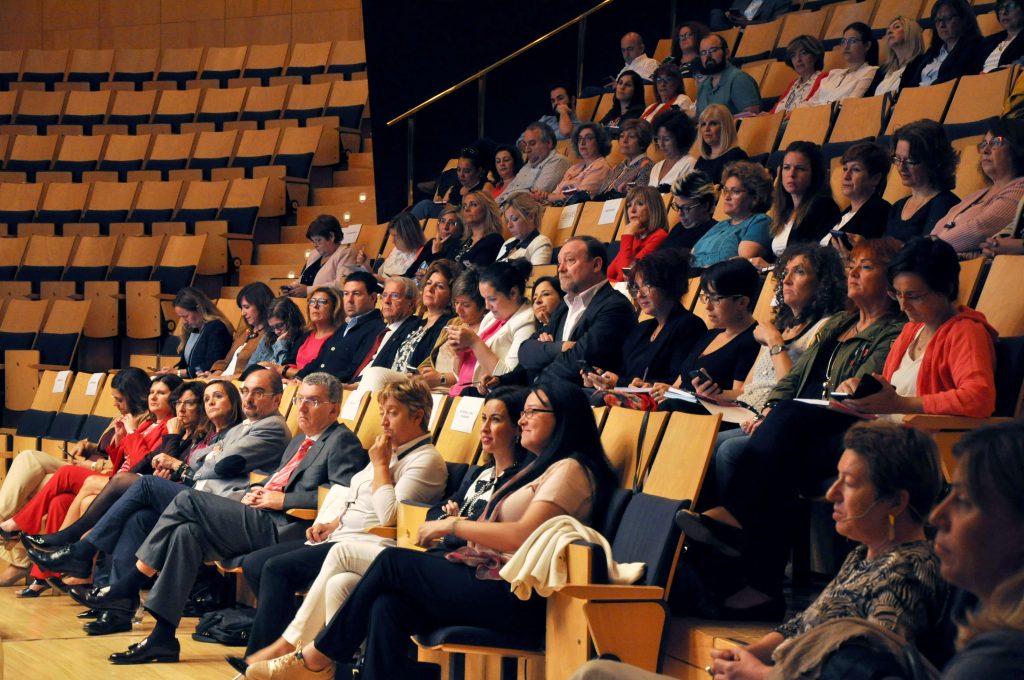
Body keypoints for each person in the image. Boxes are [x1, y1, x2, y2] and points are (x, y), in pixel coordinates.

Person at [244, 379, 618, 680]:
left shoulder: (571, 469)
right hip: (487, 576)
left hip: (514, 593)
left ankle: (314, 659)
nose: (523, 420)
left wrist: (454, 523)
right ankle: (319, 661)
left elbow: (522, 536)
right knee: (388, 605)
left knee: (392, 562)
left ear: (564, 418)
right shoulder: (537, 469)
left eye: (533, 411)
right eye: (523, 412)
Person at [576, 422, 948, 680]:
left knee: (598, 674)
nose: (831, 493)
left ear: (896, 501)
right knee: (597, 672)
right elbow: (802, 625)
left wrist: (763, 674)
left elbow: (869, 672)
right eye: (836, 479)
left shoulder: (910, 572)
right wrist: (751, 654)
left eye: (848, 484)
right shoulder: (865, 555)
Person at [66, 373, 367, 665]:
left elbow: (342, 498)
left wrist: (283, 500)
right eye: (300, 399)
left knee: (185, 499)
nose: (301, 408)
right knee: (186, 533)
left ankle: (124, 581)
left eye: (313, 401)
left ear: (334, 409)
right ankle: (162, 637)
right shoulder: (300, 440)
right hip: (257, 513)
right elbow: (277, 478)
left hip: (284, 527)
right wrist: (258, 491)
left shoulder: (342, 442)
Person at [677, 239, 905, 615]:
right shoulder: (843, 323)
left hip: (852, 428)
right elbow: (795, 379)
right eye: (851, 265)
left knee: (762, 442)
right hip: (808, 423)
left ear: (892, 278)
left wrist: (781, 412)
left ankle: (737, 534)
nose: (853, 273)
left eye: (865, 267)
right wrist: (770, 409)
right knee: (772, 447)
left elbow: (862, 389)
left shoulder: (893, 330)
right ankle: (738, 581)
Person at [226, 379, 447, 671]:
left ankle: (279, 652)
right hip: (343, 536)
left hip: (373, 544)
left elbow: (389, 516)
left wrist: (381, 466)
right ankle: (315, 668)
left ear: (417, 416)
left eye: (392, 413)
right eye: (382, 412)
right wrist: (332, 522)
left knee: (278, 568)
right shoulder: (388, 449)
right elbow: (357, 497)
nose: (383, 421)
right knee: (267, 565)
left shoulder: (425, 460)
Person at [4, 375, 181, 586]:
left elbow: (141, 464)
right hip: (118, 477)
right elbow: (122, 460)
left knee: (66, 474)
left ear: (173, 398)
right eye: (152, 392)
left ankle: (58, 545)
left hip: (128, 483)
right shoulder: (148, 424)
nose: (153, 397)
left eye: (161, 393)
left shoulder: (166, 428)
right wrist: (119, 439)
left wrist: (131, 434)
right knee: (61, 500)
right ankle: (56, 569)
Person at [839, 238, 998, 420]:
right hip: (884, 429)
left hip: (919, 435)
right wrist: (860, 389)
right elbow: (890, 394)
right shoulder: (911, 331)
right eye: (898, 294)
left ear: (946, 289)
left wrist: (901, 404)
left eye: (914, 296)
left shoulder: (966, 332)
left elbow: (979, 399)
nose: (903, 306)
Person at [583, 249, 706, 401]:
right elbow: (624, 372)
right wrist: (602, 377)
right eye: (636, 287)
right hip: (629, 401)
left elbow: (678, 382)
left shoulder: (689, 325)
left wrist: (620, 383)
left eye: (647, 285)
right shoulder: (642, 328)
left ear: (668, 285)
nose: (639, 294)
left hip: (657, 405)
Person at [515, 236, 637, 385]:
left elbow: (579, 360)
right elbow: (525, 351)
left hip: (582, 394)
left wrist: (539, 381)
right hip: (551, 390)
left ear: (596, 265)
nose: (560, 269)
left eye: (570, 260)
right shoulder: (564, 306)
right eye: (559, 262)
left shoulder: (616, 306)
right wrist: (560, 347)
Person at [647, 259, 761, 407]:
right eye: (706, 297)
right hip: (682, 406)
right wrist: (664, 390)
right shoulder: (711, 334)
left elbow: (741, 395)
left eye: (716, 299)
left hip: (712, 413)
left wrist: (679, 395)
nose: (707, 306)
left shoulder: (752, 340)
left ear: (742, 302)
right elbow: (680, 381)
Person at [931, 119, 1024, 257]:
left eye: (996, 142)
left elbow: (979, 230)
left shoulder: (1020, 188)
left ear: (1018, 147)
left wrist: (926, 249)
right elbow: (937, 229)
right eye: (984, 144)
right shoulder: (976, 194)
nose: (985, 150)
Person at [361, 261, 458, 392]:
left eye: (439, 286)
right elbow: (383, 359)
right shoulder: (412, 323)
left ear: (451, 295)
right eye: (429, 283)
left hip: (414, 384)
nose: (430, 289)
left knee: (375, 374)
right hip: (389, 380)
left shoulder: (449, 325)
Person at [447, 259, 535, 395]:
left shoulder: (526, 322)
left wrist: (474, 342)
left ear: (513, 293)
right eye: (484, 299)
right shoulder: (491, 317)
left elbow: (508, 379)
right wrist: (459, 354)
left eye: (492, 299)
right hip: (462, 392)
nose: (487, 306)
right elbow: (461, 378)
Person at [757, 141, 841, 268]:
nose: (791, 174)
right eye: (786, 168)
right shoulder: (785, 211)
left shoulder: (823, 207)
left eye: (800, 169)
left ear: (815, 174)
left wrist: (769, 267)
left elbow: (808, 259)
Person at [294, 273, 386, 382]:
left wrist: (312, 383)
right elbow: (319, 361)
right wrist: (298, 378)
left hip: (333, 388)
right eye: (346, 294)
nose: (349, 300)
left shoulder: (377, 329)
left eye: (356, 294)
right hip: (316, 384)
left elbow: (353, 371)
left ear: (373, 298)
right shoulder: (345, 326)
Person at [885, 120, 961, 243]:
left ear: (934, 162)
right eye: (897, 159)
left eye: (910, 161)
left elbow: (925, 250)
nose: (901, 167)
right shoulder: (897, 206)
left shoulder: (945, 204)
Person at [691, 160, 773, 268]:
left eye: (735, 191)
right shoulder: (722, 224)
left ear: (755, 197)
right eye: (726, 190)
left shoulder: (760, 221)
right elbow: (691, 255)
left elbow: (741, 264)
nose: (727, 197)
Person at [419, 267, 486, 391]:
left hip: (455, 392)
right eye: (456, 302)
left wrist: (441, 378)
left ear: (484, 305)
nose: (458, 309)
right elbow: (431, 359)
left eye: (466, 305)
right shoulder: (454, 322)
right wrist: (419, 374)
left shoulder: (486, 329)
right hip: (431, 388)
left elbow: (473, 377)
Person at [823, 142, 892, 252]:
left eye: (856, 170)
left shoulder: (878, 212)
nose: (846, 176)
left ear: (875, 179)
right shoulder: (844, 214)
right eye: (845, 169)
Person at [265, 287, 343, 381]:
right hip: (291, 382)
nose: (315, 305)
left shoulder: (338, 338)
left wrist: (282, 370)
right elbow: (289, 362)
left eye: (321, 301)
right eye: (312, 301)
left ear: (334, 307)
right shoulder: (306, 334)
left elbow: (320, 374)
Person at [355, 277, 423, 381]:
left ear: (411, 303)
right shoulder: (376, 329)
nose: (387, 301)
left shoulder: (414, 330)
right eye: (384, 295)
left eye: (395, 296)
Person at [906, 0, 986, 87]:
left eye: (947, 18)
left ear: (964, 19)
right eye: (938, 20)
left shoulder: (976, 48)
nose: (941, 25)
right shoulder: (931, 54)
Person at [157, 287, 234, 378]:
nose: (184, 321)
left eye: (186, 316)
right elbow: (187, 364)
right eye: (181, 317)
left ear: (199, 309)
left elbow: (211, 365)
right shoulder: (192, 328)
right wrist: (173, 370)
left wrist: (178, 372)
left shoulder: (216, 327)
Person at [798, 23, 878, 109]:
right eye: (844, 41)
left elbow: (850, 104)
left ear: (867, 45)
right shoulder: (834, 73)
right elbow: (811, 102)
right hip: (813, 114)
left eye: (852, 41)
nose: (846, 46)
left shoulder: (869, 71)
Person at [280, 215, 359, 298]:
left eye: (318, 240)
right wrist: (291, 287)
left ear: (331, 237)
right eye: (313, 241)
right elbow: (303, 279)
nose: (315, 245)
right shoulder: (314, 254)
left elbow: (342, 284)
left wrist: (308, 291)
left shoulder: (346, 253)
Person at [208, 282, 274, 378]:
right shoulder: (243, 332)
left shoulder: (271, 335)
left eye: (247, 307)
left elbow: (259, 371)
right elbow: (226, 361)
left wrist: (225, 378)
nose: (243, 313)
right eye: (241, 308)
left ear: (261, 306)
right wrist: (212, 376)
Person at [409, 146, 493, 220]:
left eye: (466, 171)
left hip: (464, 222)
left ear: (479, 171)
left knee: (426, 206)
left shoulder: (486, 186)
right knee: (426, 205)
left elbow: (483, 214)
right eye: (458, 170)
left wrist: (455, 209)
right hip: (448, 218)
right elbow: (446, 203)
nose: (461, 175)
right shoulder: (457, 185)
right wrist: (442, 202)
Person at [607, 185, 670, 283]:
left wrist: (627, 236)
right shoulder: (635, 238)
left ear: (653, 208)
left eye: (640, 204)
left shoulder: (659, 236)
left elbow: (626, 277)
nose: (632, 210)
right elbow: (608, 276)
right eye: (629, 205)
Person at [497, 122, 571, 203]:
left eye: (532, 143)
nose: (526, 150)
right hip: (505, 207)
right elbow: (507, 192)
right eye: (525, 144)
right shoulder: (528, 165)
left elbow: (533, 198)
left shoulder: (557, 161)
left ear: (548, 143)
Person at [695, 34, 762, 116]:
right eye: (703, 53)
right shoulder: (703, 86)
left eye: (713, 50)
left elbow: (751, 115)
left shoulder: (739, 79)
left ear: (726, 53)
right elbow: (699, 119)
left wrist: (724, 121)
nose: (708, 56)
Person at [545, 123, 612, 203]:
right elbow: (555, 193)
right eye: (580, 138)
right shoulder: (573, 168)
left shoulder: (600, 167)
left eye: (588, 138)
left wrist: (547, 196)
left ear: (599, 141)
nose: (582, 143)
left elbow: (578, 198)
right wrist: (549, 197)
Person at [594, 118, 654, 198]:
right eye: (622, 136)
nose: (624, 140)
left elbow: (638, 198)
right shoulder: (617, 167)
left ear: (643, 143)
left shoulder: (647, 167)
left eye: (631, 137)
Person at [867, 16, 926, 96]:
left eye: (897, 27)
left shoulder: (921, 63)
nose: (889, 31)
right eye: (888, 29)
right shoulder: (882, 70)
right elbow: (866, 99)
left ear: (911, 32)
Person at [770, 35, 828, 115]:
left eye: (803, 53)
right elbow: (773, 112)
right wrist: (766, 115)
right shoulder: (793, 84)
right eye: (793, 55)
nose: (798, 59)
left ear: (815, 56)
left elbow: (815, 108)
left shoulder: (824, 79)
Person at [693, 104, 749, 184]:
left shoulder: (736, 157)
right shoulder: (702, 160)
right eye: (703, 124)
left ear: (725, 127)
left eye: (713, 124)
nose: (706, 129)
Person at [664, 170, 719, 251]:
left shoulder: (714, 234)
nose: (679, 213)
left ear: (704, 206)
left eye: (686, 208)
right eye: (677, 207)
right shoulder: (678, 228)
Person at [365, 212, 427, 280]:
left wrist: (383, 280)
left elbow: (409, 284)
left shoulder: (421, 257)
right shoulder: (396, 252)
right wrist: (366, 265)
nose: (393, 241)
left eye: (395, 236)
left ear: (408, 236)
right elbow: (377, 278)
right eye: (392, 236)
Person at [453, 190, 505, 268]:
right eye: (464, 206)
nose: (467, 209)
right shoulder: (461, 240)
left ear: (486, 209)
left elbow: (477, 271)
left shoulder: (494, 241)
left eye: (473, 205)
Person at [497, 193, 553, 265]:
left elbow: (537, 272)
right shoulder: (508, 243)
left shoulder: (541, 243)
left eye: (514, 219)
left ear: (531, 217)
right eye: (507, 221)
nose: (509, 225)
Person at [648, 110, 698, 190]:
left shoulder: (689, 164)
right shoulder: (656, 167)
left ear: (680, 139)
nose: (661, 144)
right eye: (658, 138)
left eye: (667, 139)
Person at [252, 296, 307, 368]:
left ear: (291, 321)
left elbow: (282, 370)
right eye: (272, 327)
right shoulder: (268, 337)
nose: (276, 332)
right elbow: (250, 367)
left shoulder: (303, 340)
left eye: (280, 325)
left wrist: (281, 344)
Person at [983, 0, 1024, 72]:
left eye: (1011, 6)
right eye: (1001, 8)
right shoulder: (989, 40)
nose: (1004, 12)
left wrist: (1016, 68)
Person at [710, 0, 793, 31]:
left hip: (756, 33)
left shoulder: (781, 1)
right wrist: (729, 16)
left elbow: (775, 23)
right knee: (716, 13)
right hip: (733, 28)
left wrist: (747, 23)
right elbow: (733, 12)